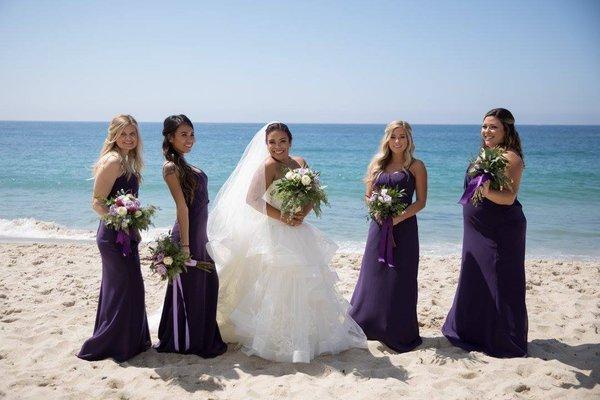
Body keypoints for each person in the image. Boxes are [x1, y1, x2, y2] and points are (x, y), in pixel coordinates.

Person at [207, 122, 366, 363]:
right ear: (266, 144)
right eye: (272, 142)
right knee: (278, 281)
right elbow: (252, 199)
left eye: (282, 141)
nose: (277, 146)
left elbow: (313, 193)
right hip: (276, 231)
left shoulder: (300, 163)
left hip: (299, 229)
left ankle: (310, 337)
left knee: (308, 281)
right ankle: (279, 338)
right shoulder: (268, 166)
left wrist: (303, 213)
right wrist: (282, 216)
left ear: (290, 142)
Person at [442, 108, 528, 357]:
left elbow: (509, 198)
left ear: (506, 130)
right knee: (475, 276)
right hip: (476, 230)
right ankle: (472, 332)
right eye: (484, 126)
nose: (487, 131)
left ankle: (504, 339)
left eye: (493, 127)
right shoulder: (486, 154)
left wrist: (486, 191)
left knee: (499, 280)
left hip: (500, 230)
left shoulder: (512, 158)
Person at [349, 120, 427, 352]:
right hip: (378, 226)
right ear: (387, 139)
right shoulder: (377, 164)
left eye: (402, 137)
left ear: (409, 139)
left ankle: (397, 330)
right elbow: (368, 195)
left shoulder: (416, 166)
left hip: (404, 229)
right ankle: (368, 325)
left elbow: (421, 202)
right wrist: (377, 212)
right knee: (374, 275)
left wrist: (397, 219)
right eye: (394, 136)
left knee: (399, 277)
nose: (397, 141)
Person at [78, 114, 151, 362]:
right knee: (122, 288)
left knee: (130, 287)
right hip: (112, 237)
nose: (129, 138)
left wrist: (132, 225)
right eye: (123, 134)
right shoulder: (112, 161)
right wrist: (121, 220)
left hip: (126, 234)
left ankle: (130, 342)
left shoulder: (128, 160)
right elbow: (97, 203)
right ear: (114, 135)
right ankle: (111, 344)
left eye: (132, 134)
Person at [155, 115, 227, 357]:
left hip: (199, 235)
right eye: (183, 134)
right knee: (189, 288)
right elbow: (182, 208)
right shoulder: (170, 167)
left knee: (207, 285)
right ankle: (182, 341)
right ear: (170, 137)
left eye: (191, 134)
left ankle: (199, 336)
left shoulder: (184, 164)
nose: (189, 139)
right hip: (186, 236)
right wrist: (185, 245)